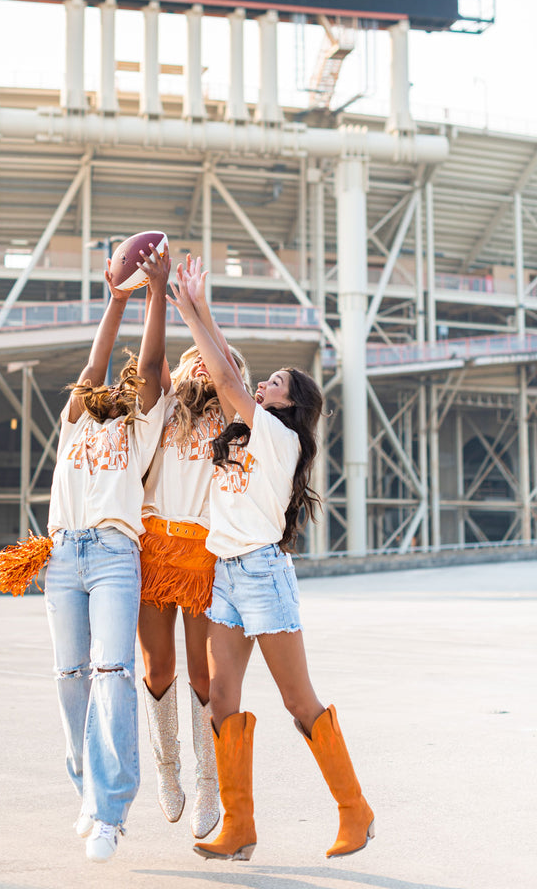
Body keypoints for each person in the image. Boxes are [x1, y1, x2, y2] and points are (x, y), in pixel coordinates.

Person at [168, 265, 374, 862]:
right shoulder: (242, 432)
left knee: (297, 699)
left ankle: (354, 810)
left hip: (261, 574)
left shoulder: (279, 440)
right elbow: (228, 374)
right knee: (222, 698)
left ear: (292, 404)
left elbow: (228, 378)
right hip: (225, 575)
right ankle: (239, 826)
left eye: (277, 382)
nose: (264, 384)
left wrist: (192, 310)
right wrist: (200, 312)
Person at [44, 244, 170, 863]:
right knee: (71, 680)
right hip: (64, 553)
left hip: (117, 553)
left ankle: (109, 811)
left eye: (129, 388)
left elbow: (149, 367)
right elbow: (94, 366)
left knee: (113, 674)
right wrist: (114, 300)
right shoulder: (76, 420)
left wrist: (153, 296)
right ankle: (86, 787)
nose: (117, 388)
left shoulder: (140, 426)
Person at [138, 260, 249, 840]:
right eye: (192, 357)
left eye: (206, 356)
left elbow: (228, 370)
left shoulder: (232, 421)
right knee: (158, 668)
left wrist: (201, 312)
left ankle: (209, 781)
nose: (198, 362)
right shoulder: (160, 409)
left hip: (209, 556)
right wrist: (159, 297)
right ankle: (167, 767)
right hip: (155, 548)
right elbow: (153, 365)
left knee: (207, 679)